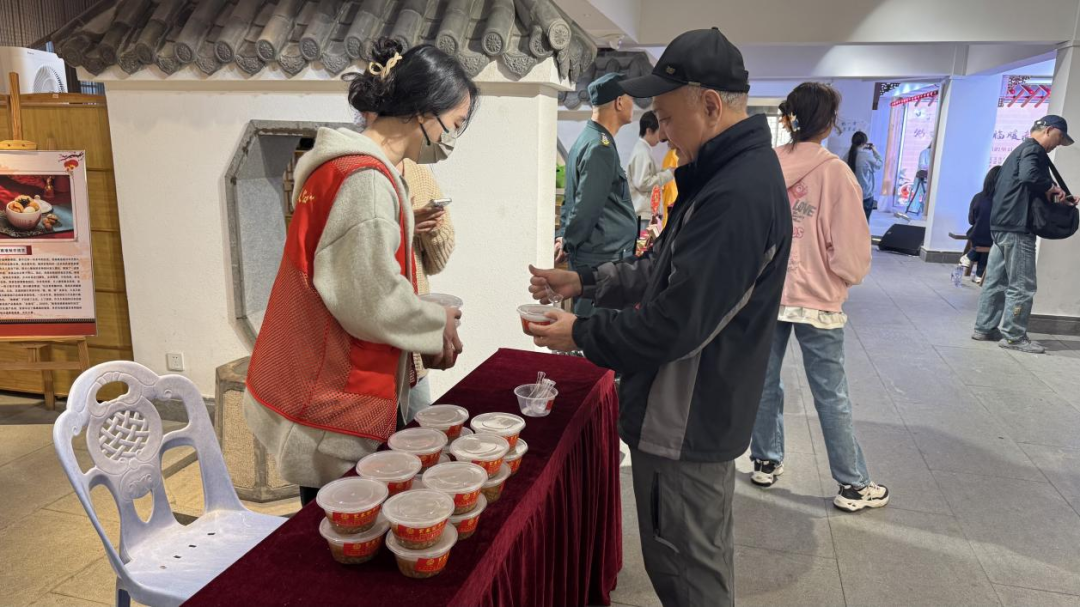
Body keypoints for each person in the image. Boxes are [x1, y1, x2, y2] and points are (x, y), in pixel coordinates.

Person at [526, 28, 791, 607]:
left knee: (688, 575)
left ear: (711, 104)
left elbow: (676, 323)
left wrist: (581, 332)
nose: (663, 132)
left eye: (668, 118)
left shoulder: (737, 194)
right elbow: (663, 269)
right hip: (685, 411)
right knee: (684, 563)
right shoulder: (721, 175)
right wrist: (586, 280)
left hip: (687, 417)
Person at [243, 37, 477, 505]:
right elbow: (369, 299)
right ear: (423, 112)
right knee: (341, 521)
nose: (452, 139)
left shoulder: (336, 167)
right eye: (454, 124)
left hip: (309, 373)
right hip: (332, 393)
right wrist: (436, 324)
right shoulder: (365, 181)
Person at [749, 82, 888, 513]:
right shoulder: (835, 173)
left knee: (762, 381)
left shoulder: (765, 165)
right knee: (830, 392)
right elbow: (849, 245)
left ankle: (765, 459)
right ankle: (852, 483)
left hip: (767, 293)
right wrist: (847, 277)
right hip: (818, 297)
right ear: (828, 124)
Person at [974, 115, 1075, 353]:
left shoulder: (1018, 151)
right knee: (1023, 285)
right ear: (1049, 130)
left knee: (996, 281)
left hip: (1001, 225)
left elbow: (1024, 185)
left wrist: (1053, 192)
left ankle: (984, 328)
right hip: (1018, 228)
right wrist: (1052, 187)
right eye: (1059, 138)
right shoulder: (1034, 150)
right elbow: (1030, 176)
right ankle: (1013, 337)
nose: (1058, 144)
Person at [556, 72, 637, 316]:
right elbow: (586, 207)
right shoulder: (600, 147)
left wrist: (564, 236)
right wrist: (568, 241)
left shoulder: (588, 139)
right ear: (619, 102)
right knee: (599, 330)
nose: (633, 104)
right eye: (631, 98)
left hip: (599, 256)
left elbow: (572, 200)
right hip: (602, 260)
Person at [400, 158, 456, 422]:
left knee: (422, 432)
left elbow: (436, 264)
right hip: (372, 347)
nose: (442, 140)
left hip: (415, 343)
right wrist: (401, 225)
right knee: (376, 442)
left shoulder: (418, 173)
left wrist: (433, 228)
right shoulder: (361, 172)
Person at [628, 110, 675, 231]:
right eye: (659, 131)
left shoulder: (644, 150)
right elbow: (643, 183)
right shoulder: (642, 152)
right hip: (643, 214)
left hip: (646, 213)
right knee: (644, 243)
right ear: (649, 131)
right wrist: (668, 174)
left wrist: (666, 172)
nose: (661, 137)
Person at [958, 166, 1000, 285]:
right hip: (992, 239)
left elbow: (971, 220)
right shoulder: (1002, 201)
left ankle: (970, 257)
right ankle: (979, 274)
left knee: (983, 238)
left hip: (976, 236)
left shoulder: (977, 197)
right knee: (991, 241)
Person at [846, 131, 882, 221]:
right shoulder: (867, 156)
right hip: (865, 194)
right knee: (864, 222)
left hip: (850, 194)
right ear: (864, 143)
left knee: (852, 221)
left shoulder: (847, 155)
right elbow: (879, 164)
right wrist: (874, 150)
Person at [907, 143, 931, 214]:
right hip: (923, 177)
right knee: (921, 192)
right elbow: (921, 165)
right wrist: (931, 168)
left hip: (931, 178)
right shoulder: (924, 152)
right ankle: (918, 209)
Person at [660, 139, 680, 228]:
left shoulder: (672, 154)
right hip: (672, 189)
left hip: (670, 191)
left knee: (668, 217)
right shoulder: (673, 154)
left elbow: (669, 172)